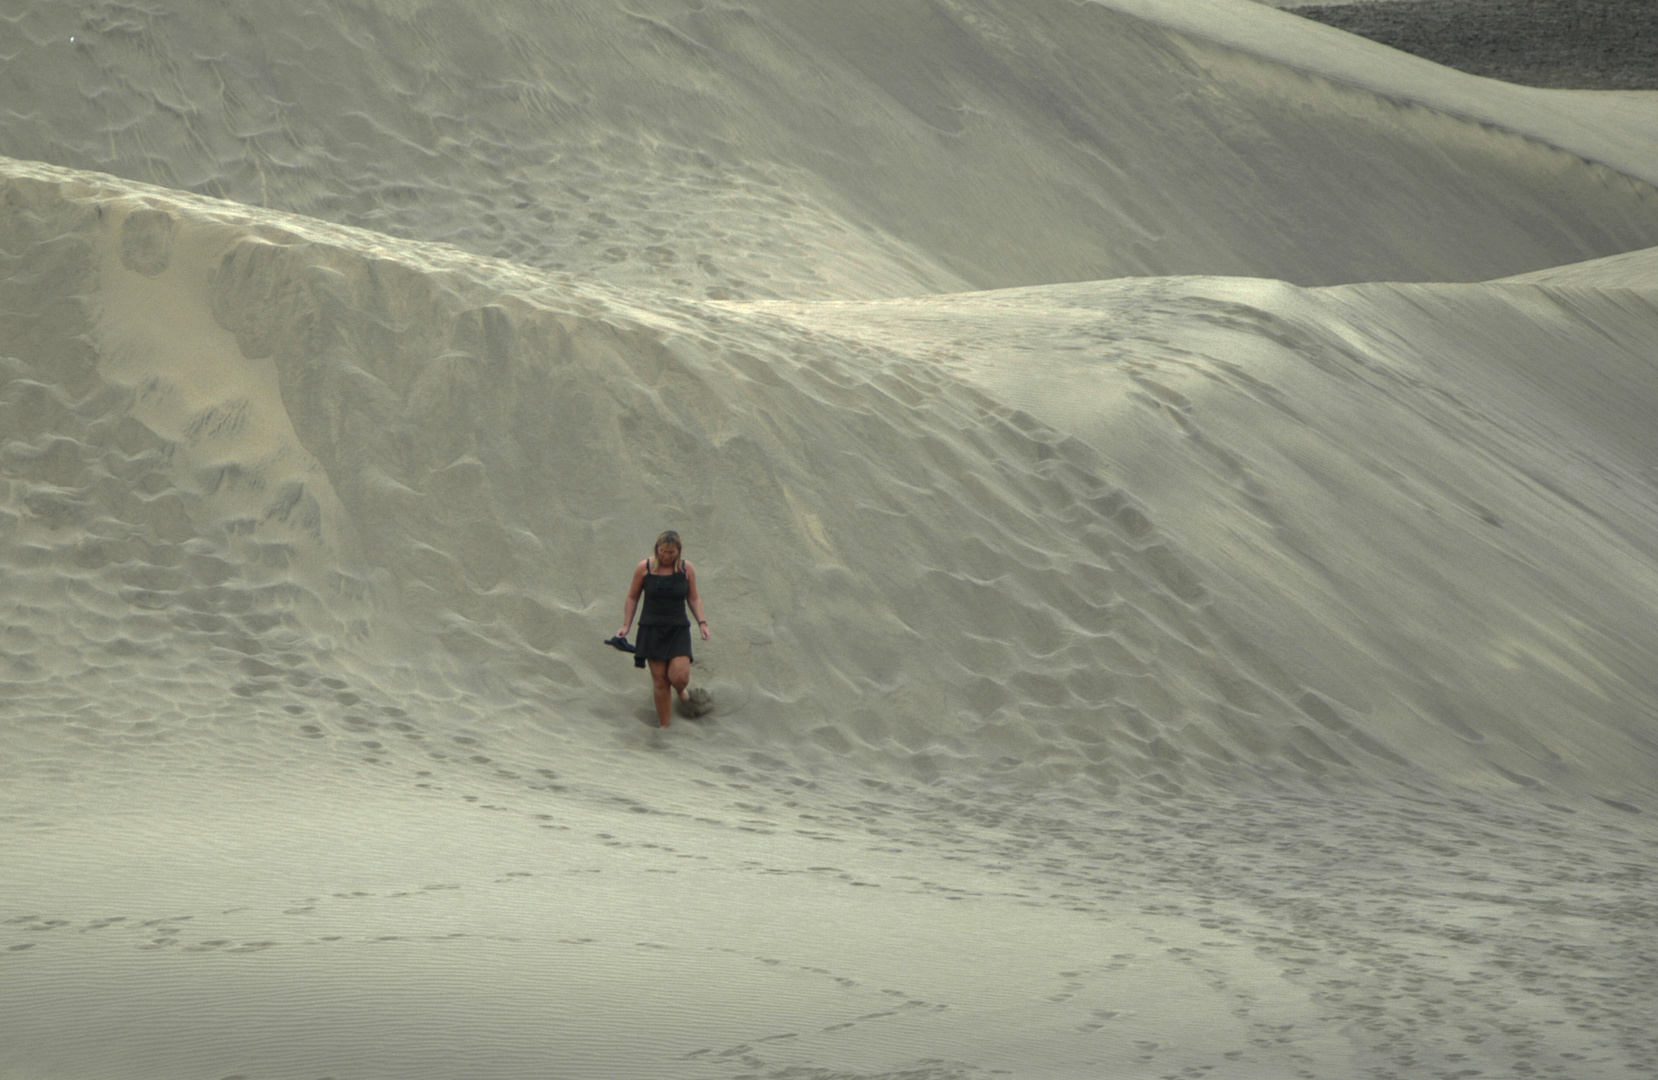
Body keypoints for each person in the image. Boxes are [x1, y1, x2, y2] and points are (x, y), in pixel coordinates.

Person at [617, 530, 711, 727]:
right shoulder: (645, 568)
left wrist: (702, 622)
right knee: (660, 681)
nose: (667, 557)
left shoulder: (687, 569)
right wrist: (626, 625)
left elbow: (693, 597)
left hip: (677, 628)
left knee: (679, 677)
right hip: (651, 629)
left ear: (678, 551)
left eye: (671, 552)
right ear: (656, 549)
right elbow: (632, 596)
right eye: (663, 552)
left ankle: (682, 692)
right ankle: (665, 727)